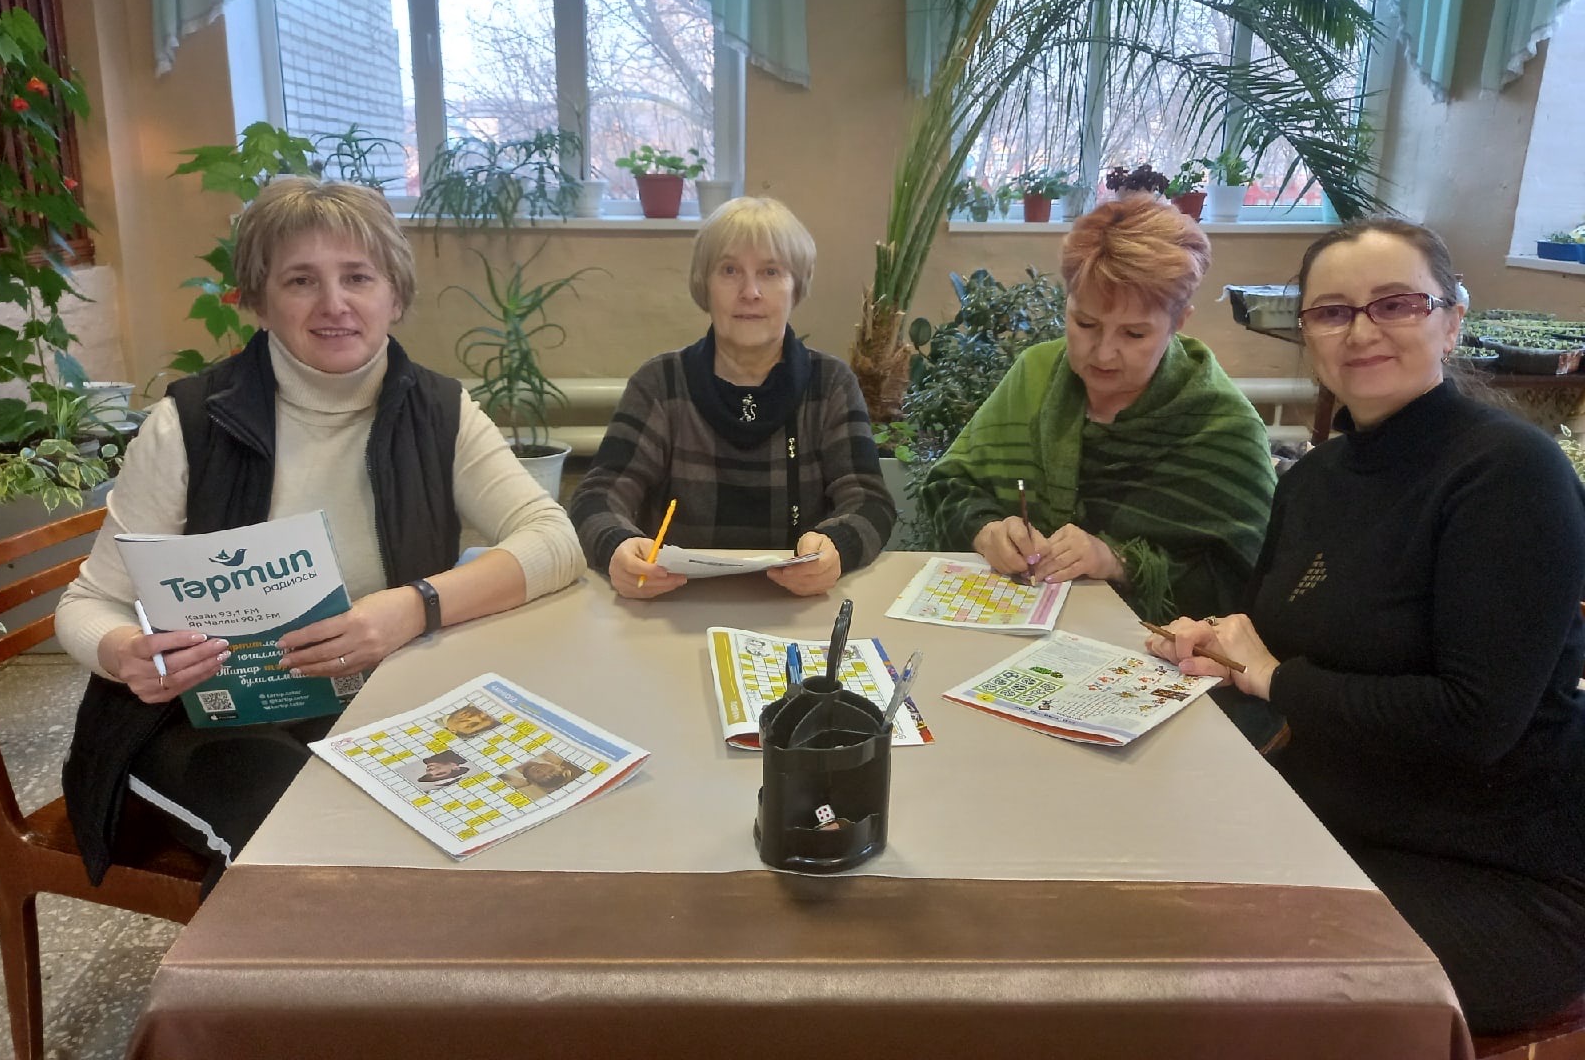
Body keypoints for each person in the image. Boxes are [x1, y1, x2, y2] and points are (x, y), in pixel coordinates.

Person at [57, 177, 586, 888]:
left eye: (358, 277)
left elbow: (553, 539)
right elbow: (87, 604)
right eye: (300, 280)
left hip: (378, 702)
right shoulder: (189, 424)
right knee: (302, 845)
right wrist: (125, 652)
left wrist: (414, 607)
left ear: (395, 296)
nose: (334, 304)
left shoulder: (440, 411)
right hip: (201, 722)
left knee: (518, 806)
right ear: (258, 301)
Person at [1145, 218, 1585, 1034]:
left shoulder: (1510, 473)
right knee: (1119, 898)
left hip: (1490, 876)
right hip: (1325, 824)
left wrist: (1274, 678)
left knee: (1189, 980)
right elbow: (1278, 638)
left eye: (1396, 303)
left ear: (1452, 321)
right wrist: (1220, 646)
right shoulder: (1315, 477)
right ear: (1307, 332)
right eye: (1332, 311)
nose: (1362, 331)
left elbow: (1475, 721)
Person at [919, 194, 1275, 624]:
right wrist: (986, 529)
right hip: (1017, 631)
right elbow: (948, 486)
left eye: (1134, 334)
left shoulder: (1223, 426)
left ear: (1179, 322)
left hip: (1153, 650)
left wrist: (1119, 562)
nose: (1104, 353)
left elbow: (1245, 584)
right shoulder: (1034, 374)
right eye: (1085, 323)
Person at [569, 196, 894, 599]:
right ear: (703, 285)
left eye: (770, 272)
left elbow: (870, 500)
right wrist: (617, 545)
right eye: (729, 270)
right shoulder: (659, 383)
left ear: (796, 286)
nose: (750, 292)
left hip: (800, 604)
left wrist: (838, 547)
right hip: (672, 602)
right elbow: (598, 496)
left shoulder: (831, 384)